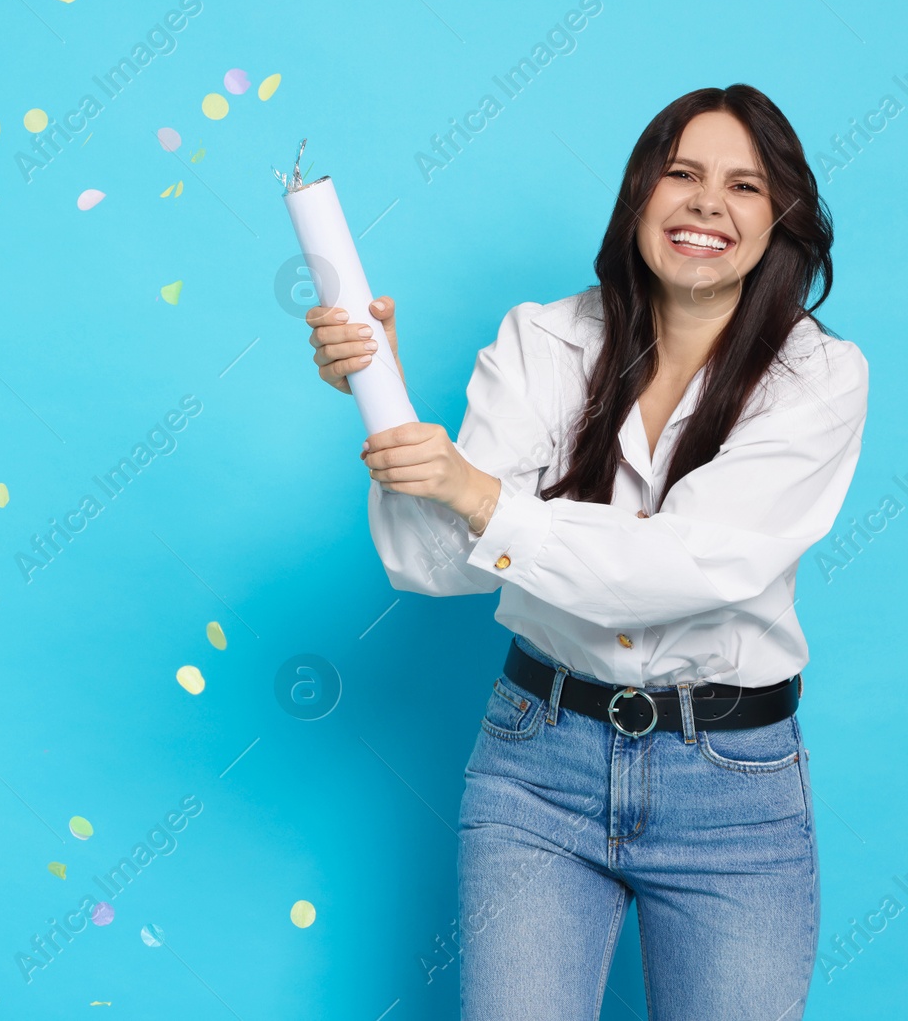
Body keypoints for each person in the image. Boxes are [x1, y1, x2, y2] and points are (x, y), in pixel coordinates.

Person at [305, 84, 868, 1019]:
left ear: (782, 222)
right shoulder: (543, 340)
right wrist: (387, 398)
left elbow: (682, 568)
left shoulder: (818, 376)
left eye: (744, 186)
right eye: (681, 174)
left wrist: (479, 493)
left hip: (731, 788)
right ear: (639, 192)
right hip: (538, 764)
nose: (706, 204)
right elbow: (430, 563)